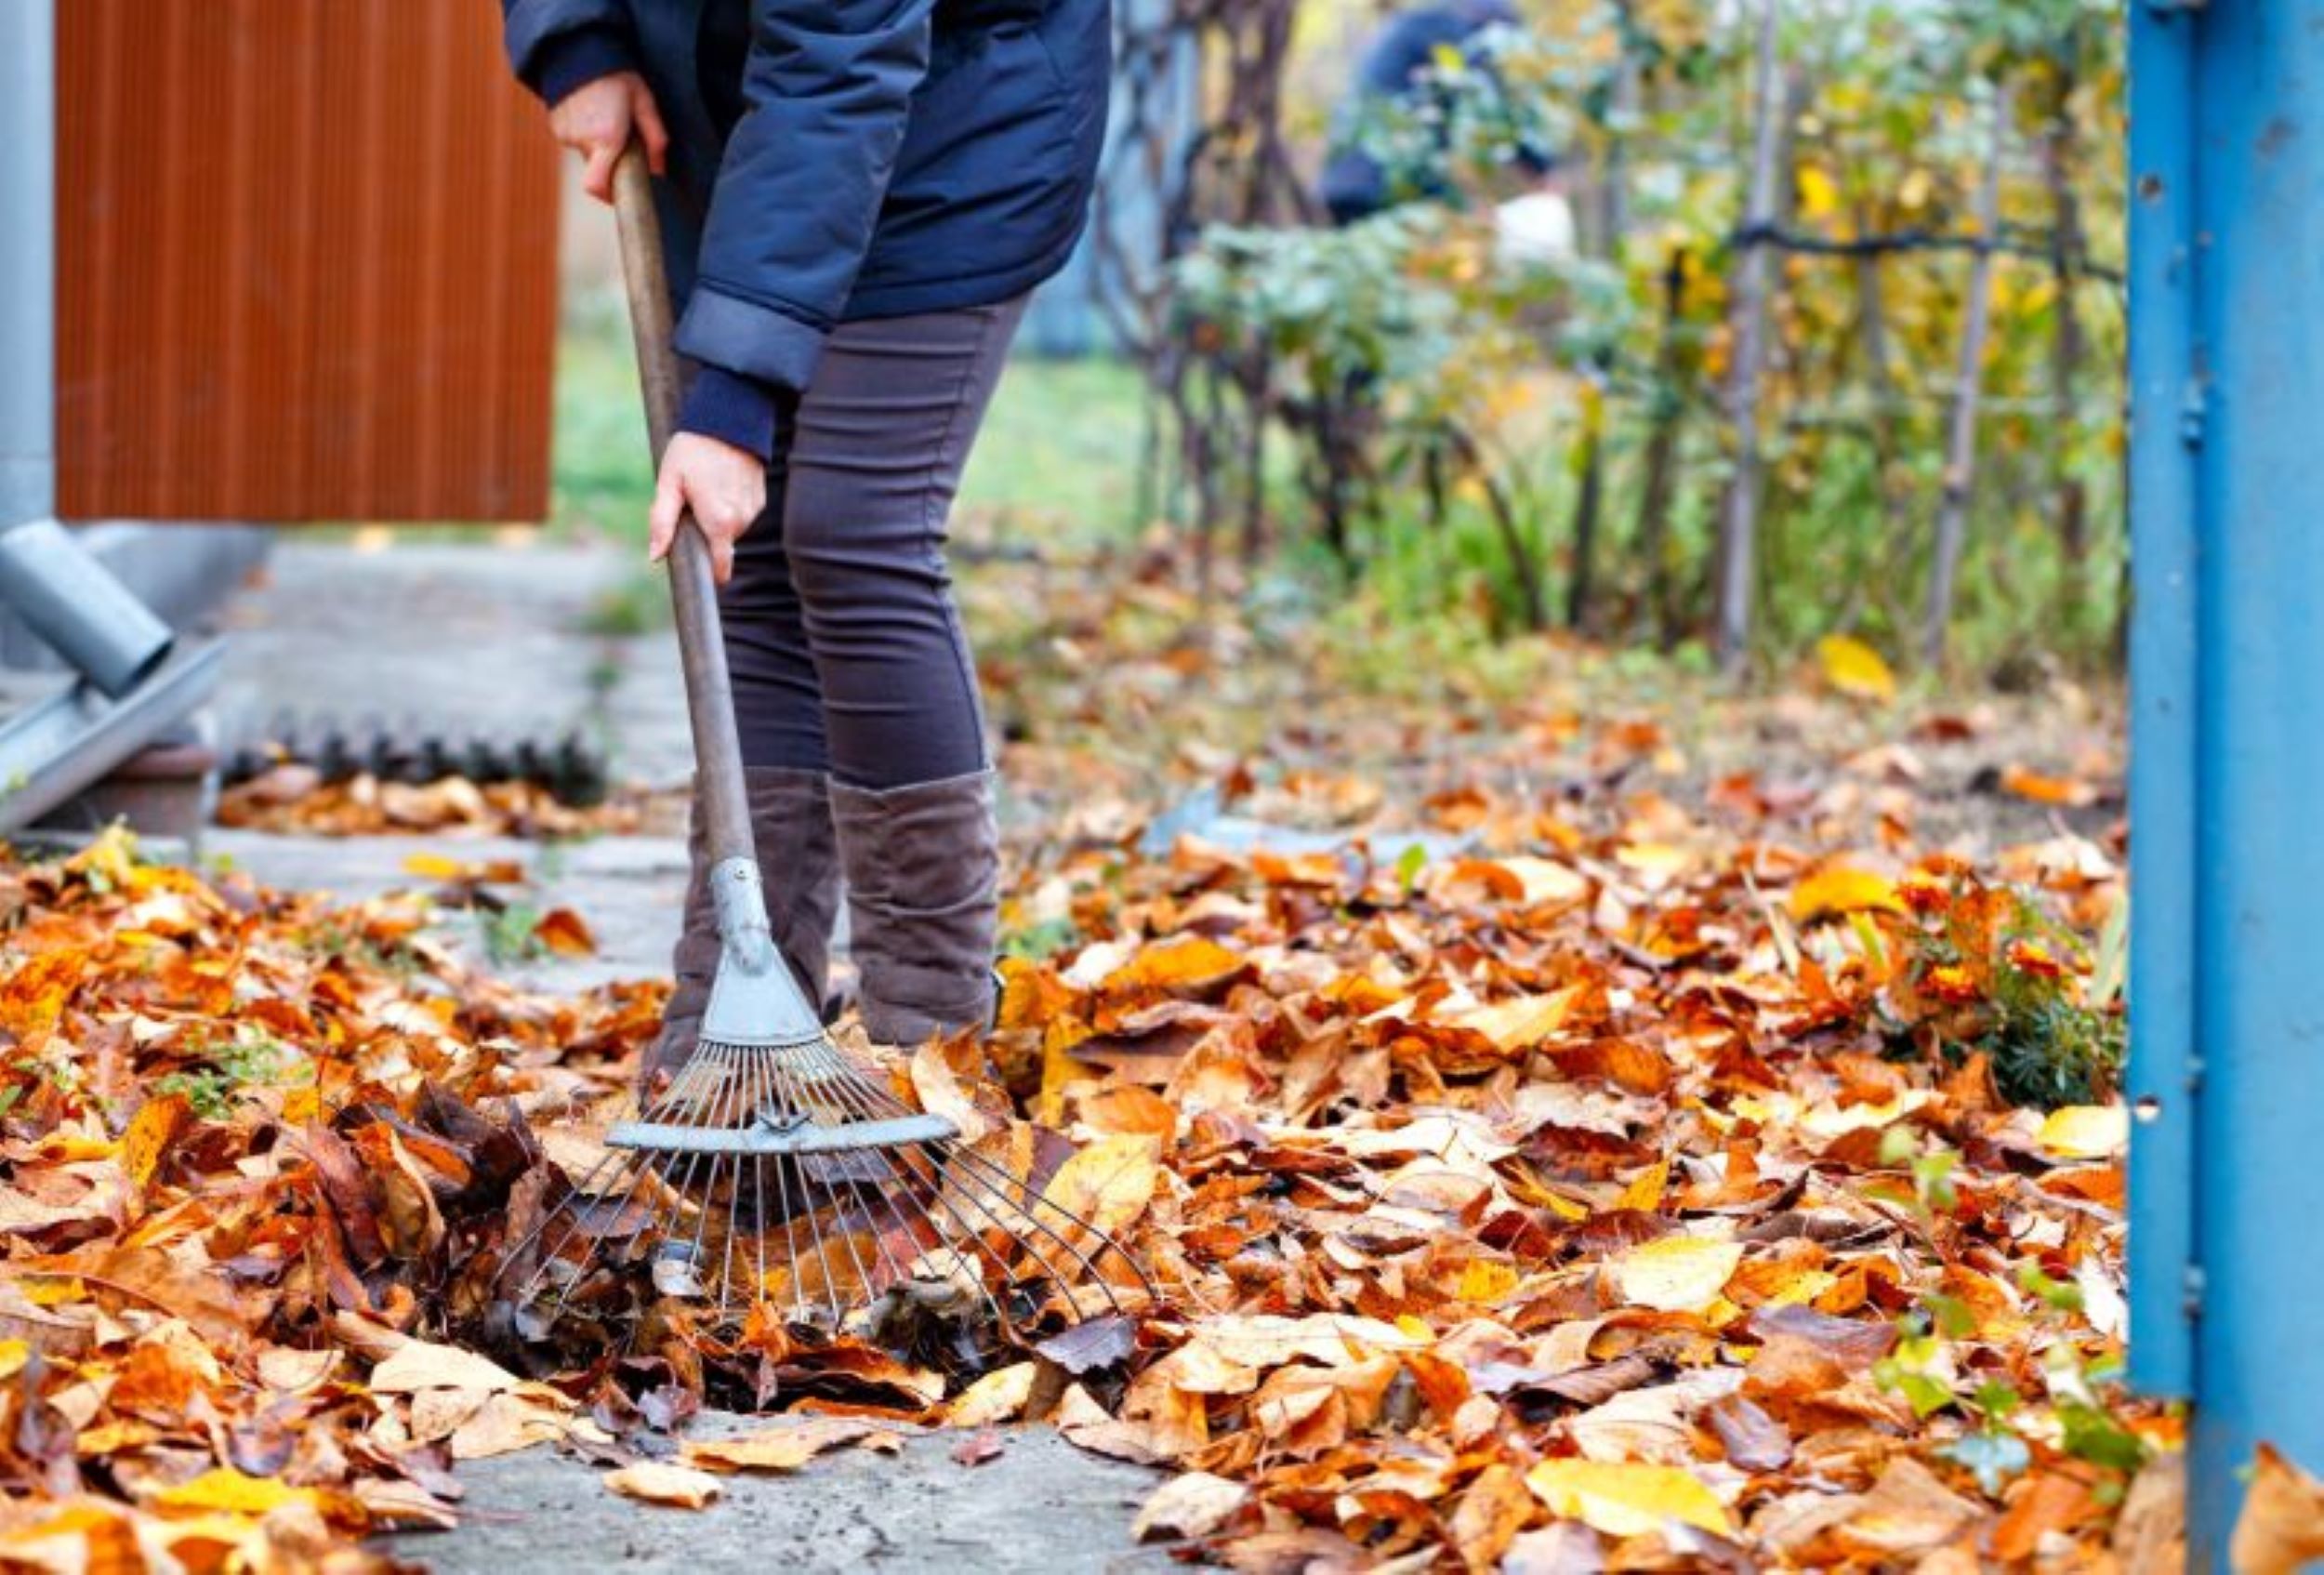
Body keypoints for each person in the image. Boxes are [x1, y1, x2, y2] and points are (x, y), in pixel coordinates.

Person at [499, 0, 1113, 1079]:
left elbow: (840, 60)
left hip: (956, 128)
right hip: (751, 128)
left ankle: (930, 1040)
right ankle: (731, 1027)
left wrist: (734, 399)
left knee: (852, 527)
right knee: (762, 558)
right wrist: (575, 40)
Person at [1320, 0, 1548, 228]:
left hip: (1361, 177)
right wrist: (1539, 165)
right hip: (1376, 180)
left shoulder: (1424, 26)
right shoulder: (1444, 29)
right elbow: (1490, 96)